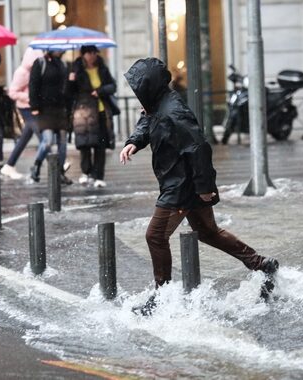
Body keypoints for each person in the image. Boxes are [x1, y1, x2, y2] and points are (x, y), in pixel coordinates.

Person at [119, 58, 279, 313]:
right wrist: (134, 142)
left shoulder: (174, 112)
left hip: (181, 186)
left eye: (138, 88)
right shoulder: (158, 105)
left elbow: (198, 148)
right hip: (182, 182)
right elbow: (147, 121)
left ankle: (163, 298)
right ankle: (262, 264)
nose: (136, 94)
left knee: (155, 236)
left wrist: (205, 187)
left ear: (149, 86)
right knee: (208, 232)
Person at [67, 45, 118, 188]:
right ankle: (86, 172)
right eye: (89, 53)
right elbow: (69, 93)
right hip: (83, 112)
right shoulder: (75, 69)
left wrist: (100, 91)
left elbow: (112, 86)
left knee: (100, 145)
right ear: (83, 55)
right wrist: (71, 80)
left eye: (94, 53)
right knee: (85, 144)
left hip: (101, 111)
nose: (92, 56)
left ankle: (99, 176)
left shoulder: (102, 68)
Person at [28, 49, 72, 185]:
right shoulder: (40, 63)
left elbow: (67, 89)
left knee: (63, 142)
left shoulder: (64, 65)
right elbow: (33, 85)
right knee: (47, 141)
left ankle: (60, 173)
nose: (59, 50)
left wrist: (69, 107)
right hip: (44, 109)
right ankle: (36, 165)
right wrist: (34, 106)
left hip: (60, 109)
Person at [0, 48, 44, 180]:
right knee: (41, 134)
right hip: (25, 107)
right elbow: (12, 92)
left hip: (32, 106)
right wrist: (29, 97)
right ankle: (58, 163)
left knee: (26, 137)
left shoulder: (34, 71)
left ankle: (9, 165)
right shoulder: (22, 73)